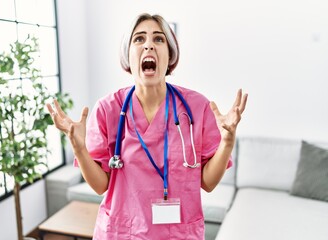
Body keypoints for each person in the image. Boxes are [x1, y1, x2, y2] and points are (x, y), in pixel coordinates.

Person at [47, 13, 248, 240]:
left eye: (159, 39)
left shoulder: (197, 107)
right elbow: (100, 185)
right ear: (128, 54)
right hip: (122, 233)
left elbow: (208, 183)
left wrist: (227, 142)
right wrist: (79, 148)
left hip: (177, 234)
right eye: (139, 39)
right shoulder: (108, 109)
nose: (149, 45)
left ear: (170, 55)